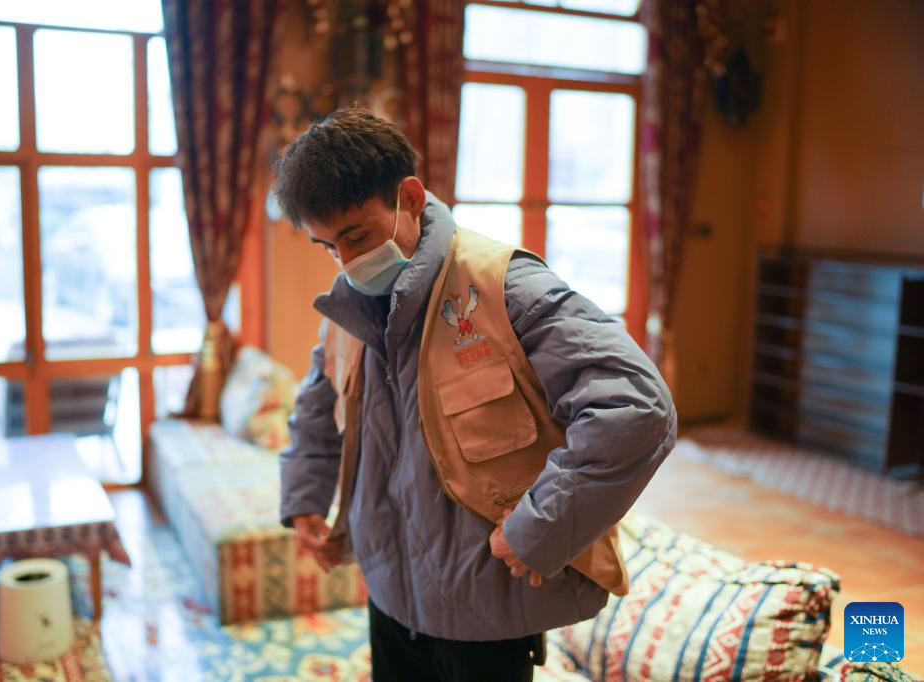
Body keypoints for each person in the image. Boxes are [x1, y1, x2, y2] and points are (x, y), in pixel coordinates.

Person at [275, 106, 677, 682]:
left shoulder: (505, 286)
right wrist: (304, 497)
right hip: (389, 592)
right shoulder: (349, 309)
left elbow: (637, 408)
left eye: (356, 236)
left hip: (487, 608)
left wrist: (540, 525)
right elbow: (317, 410)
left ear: (410, 198)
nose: (346, 262)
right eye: (327, 247)